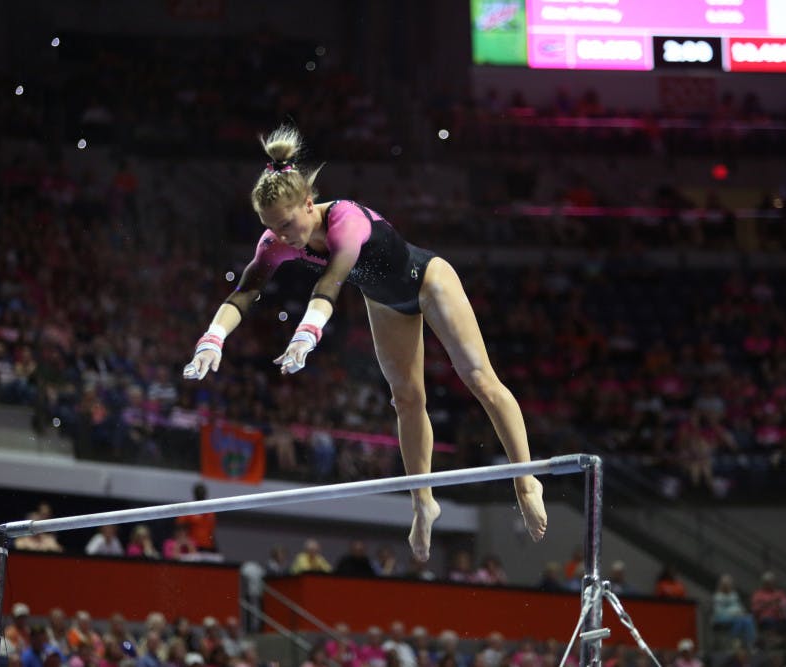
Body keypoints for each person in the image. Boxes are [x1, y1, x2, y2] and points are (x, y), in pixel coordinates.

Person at [183, 125, 547, 561]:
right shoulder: (277, 239)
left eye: (285, 224)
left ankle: (525, 479)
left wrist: (306, 335)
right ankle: (422, 502)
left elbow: (333, 279)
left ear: (307, 203)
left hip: (428, 279)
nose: (280, 236)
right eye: (270, 229)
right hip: (385, 302)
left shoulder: (346, 220)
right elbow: (244, 292)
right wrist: (212, 339)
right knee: (407, 400)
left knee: (479, 379)